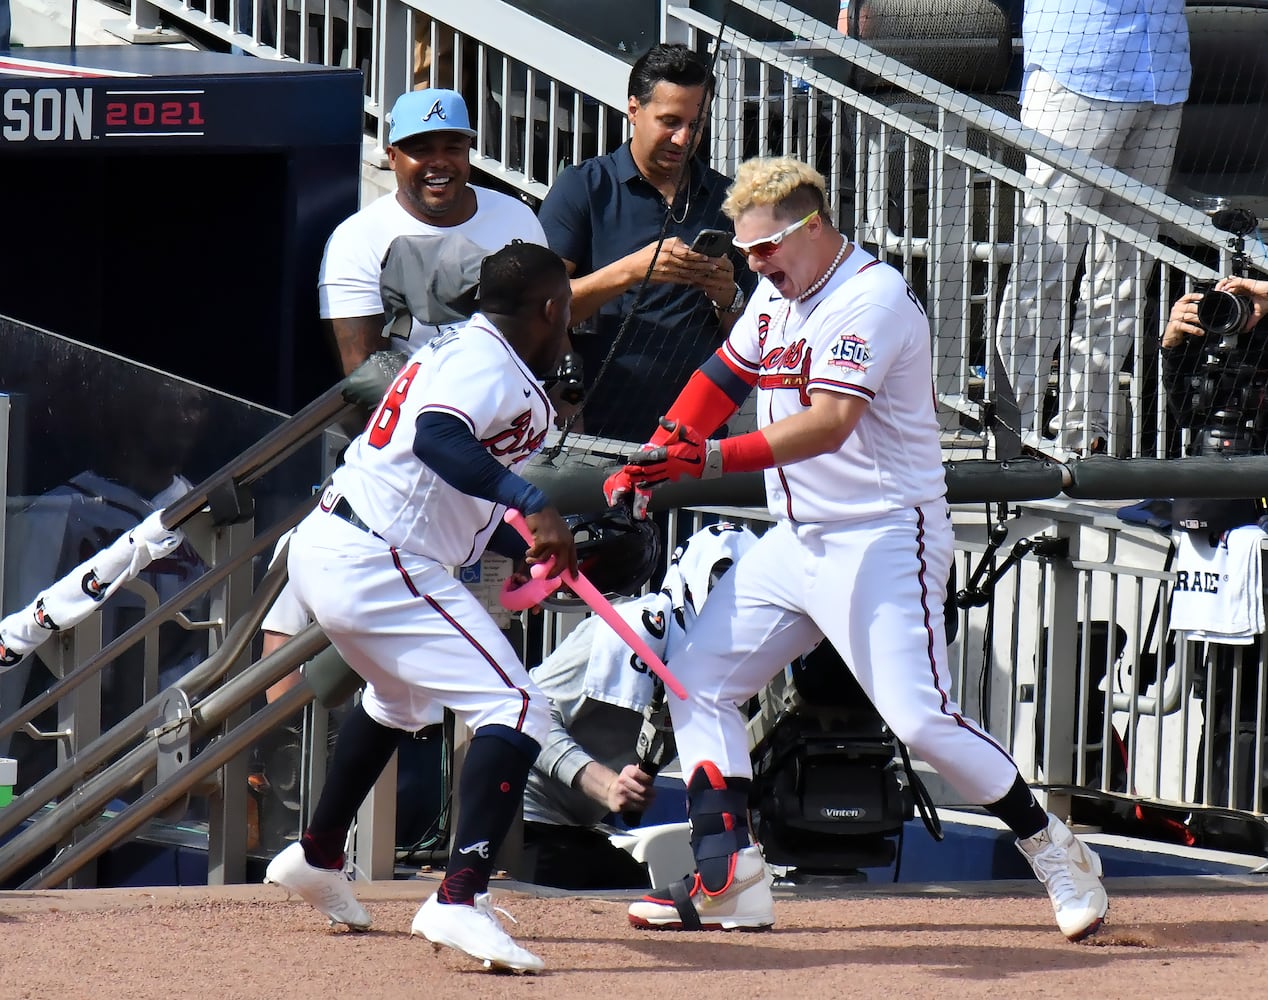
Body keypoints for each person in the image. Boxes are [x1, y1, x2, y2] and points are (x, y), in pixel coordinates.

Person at [603, 156, 1110, 942]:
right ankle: (729, 873)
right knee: (696, 678)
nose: (756, 265)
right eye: (746, 253)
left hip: (881, 535)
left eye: (767, 248)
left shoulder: (872, 296)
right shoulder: (775, 296)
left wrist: (702, 461)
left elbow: (827, 425)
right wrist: (657, 450)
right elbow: (719, 379)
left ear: (813, 227)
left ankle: (1052, 845)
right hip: (797, 538)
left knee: (918, 719)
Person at [263, 242, 578, 975]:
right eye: (567, 307)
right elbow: (438, 439)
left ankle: (317, 854)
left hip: (342, 543)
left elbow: (451, 480)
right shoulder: (487, 360)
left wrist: (537, 534)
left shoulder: (465, 348)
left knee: (399, 700)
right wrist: (535, 502)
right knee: (520, 707)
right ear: (550, 309)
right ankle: (459, 898)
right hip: (379, 557)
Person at [995, 0, 1191, 456]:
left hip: (1162, 73)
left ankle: (1085, 438)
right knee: (1045, 266)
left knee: (1124, 276)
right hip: (1079, 70)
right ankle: (1010, 435)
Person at [537, 43, 755, 442]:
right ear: (633, 110)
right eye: (670, 121)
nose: (684, 139)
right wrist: (632, 271)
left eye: (697, 124)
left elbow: (759, 334)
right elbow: (538, 312)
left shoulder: (727, 199)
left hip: (696, 439)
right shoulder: (584, 187)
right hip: (595, 435)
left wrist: (728, 297)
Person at [522, 521, 757, 890]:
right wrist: (604, 785)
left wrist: (630, 794)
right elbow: (523, 712)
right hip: (522, 825)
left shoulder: (711, 664)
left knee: (637, 887)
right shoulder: (620, 630)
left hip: (576, 828)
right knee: (625, 896)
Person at [318, 88, 546, 375]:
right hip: (417, 414)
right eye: (421, 150)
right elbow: (366, 378)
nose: (439, 161)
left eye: (453, 148)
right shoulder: (356, 239)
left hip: (516, 409)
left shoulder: (516, 218)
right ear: (392, 157)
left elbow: (550, 338)